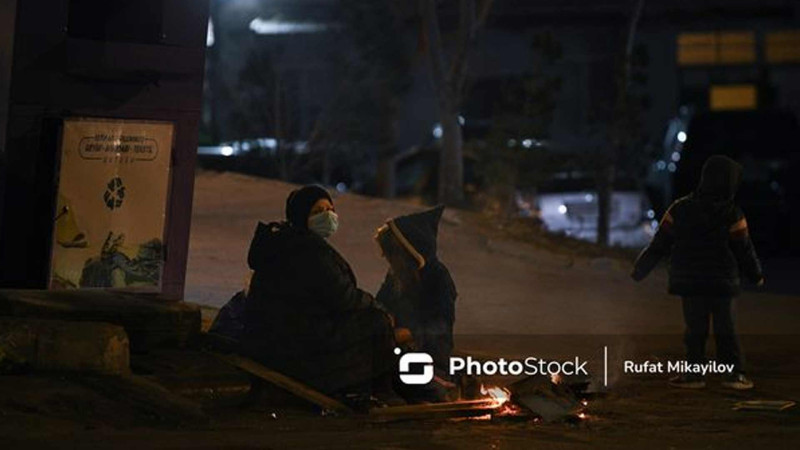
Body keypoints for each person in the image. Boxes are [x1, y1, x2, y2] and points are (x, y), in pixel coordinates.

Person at [240, 185, 400, 405]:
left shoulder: (285, 242)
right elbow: (343, 297)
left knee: (366, 320)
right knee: (377, 322)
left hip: (278, 334)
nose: (327, 216)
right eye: (317, 211)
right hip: (294, 341)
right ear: (301, 215)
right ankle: (379, 390)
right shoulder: (307, 251)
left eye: (330, 209)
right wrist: (377, 308)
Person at [632, 155, 764, 390]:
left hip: (690, 281)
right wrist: (756, 275)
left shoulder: (679, 208)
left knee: (695, 330)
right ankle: (733, 375)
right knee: (726, 329)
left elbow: (659, 244)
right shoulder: (732, 213)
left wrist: (640, 270)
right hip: (723, 282)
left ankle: (694, 375)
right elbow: (743, 249)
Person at [375, 206, 457, 400]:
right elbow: (381, 303)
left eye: (393, 254)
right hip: (397, 349)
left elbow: (441, 325)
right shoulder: (396, 274)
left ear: (409, 253)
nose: (387, 259)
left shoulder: (439, 278)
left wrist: (410, 332)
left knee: (419, 386)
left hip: (429, 355)